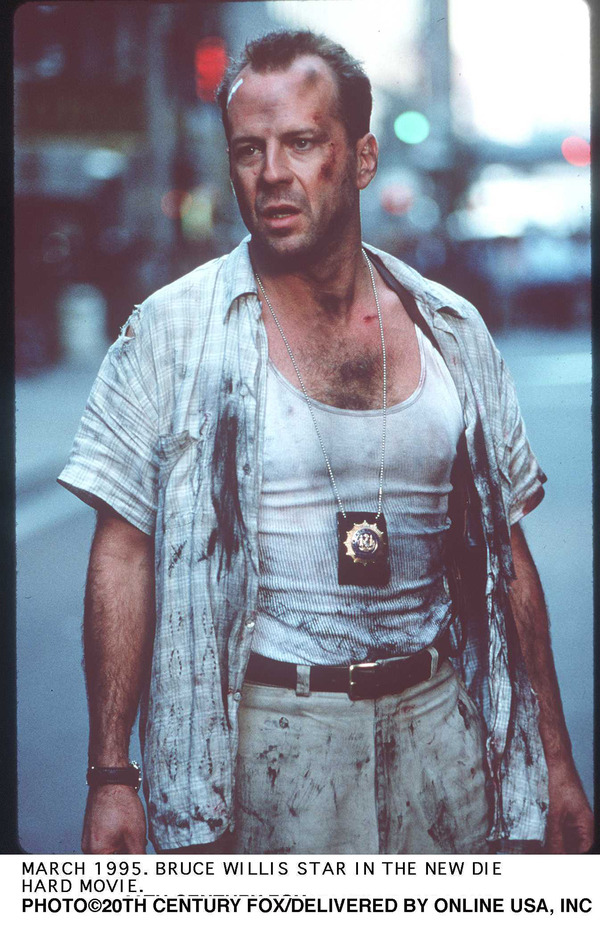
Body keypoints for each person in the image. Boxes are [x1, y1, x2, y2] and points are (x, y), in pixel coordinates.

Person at [59, 30, 593, 856]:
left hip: (438, 725)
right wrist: (110, 774)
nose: (273, 172)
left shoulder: (452, 331)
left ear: (362, 158)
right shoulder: (172, 331)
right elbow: (122, 551)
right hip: (267, 743)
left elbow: (507, 556)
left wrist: (556, 764)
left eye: (302, 143)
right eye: (250, 150)